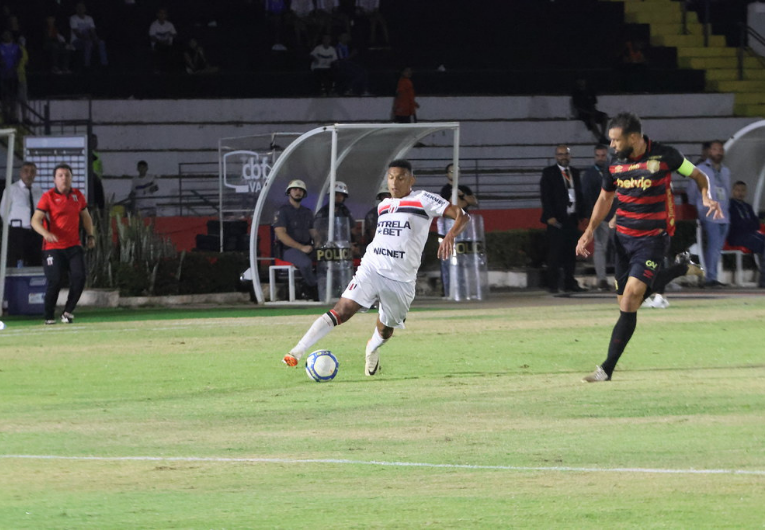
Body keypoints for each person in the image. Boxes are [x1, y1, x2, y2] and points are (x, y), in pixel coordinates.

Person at [282, 159, 469, 375]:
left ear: (411, 180)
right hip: (372, 267)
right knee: (342, 310)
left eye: (400, 178)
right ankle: (297, 351)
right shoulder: (383, 206)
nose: (394, 182)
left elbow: (462, 215)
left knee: (386, 329)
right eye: (390, 178)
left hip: (401, 279)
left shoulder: (422, 199)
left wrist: (450, 235)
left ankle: (372, 347)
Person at [576, 112, 723, 382]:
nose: (612, 146)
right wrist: (589, 231)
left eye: (616, 141)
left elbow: (699, 175)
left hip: (654, 237)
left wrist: (707, 196)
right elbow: (605, 199)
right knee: (625, 303)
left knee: (631, 296)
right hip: (623, 238)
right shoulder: (614, 163)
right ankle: (681, 267)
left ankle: (606, 369)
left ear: (634, 137)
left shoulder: (666, 156)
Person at [31, 163, 96, 325]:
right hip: (53, 248)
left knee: (80, 277)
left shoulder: (77, 196)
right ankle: (49, 316)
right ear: (54, 179)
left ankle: (67, 312)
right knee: (55, 281)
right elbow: (35, 221)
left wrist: (90, 235)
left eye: (67, 175)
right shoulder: (48, 197)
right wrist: (46, 234)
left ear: (71, 178)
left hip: (73, 245)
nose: (64, 178)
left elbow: (86, 217)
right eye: (60, 175)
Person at [540, 144, 585, 293]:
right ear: (555, 156)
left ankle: (569, 283)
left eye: (565, 154)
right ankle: (553, 285)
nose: (563, 157)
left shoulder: (575, 173)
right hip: (556, 220)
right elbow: (545, 196)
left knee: (570, 254)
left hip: (571, 218)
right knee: (555, 253)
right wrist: (549, 216)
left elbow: (579, 194)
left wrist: (582, 213)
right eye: (560, 154)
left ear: (570, 156)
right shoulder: (549, 173)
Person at [686, 140, 731, 288]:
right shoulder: (700, 169)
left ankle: (713, 275)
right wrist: (700, 208)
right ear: (708, 152)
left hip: (724, 213)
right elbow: (691, 192)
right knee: (712, 246)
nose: (718, 152)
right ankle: (710, 277)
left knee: (717, 247)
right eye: (715, 149)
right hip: (709, 214)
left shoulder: (725, 171)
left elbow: (728, 191)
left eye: (720, 149)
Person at [273, 179, 319, 301]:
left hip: (307, 248)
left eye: (300, 190)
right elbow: (281, 235)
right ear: (289, 192)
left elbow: (313, 232)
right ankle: (313, 289)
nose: (298, 192)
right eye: (295, 189)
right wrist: (301, 247)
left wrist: (320, 243)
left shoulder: (307, 212)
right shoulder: (282, 211)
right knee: (305, 263)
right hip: (288, 249)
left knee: (326, 259)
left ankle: (328, 288)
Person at [438, 163, 478, 296]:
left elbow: (473, 202)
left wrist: (463, 196)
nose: (454, 173)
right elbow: (453, 205)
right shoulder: (445, 189)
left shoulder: (464, 188)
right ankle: (449, 288)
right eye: (451, 171)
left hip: (464, 225)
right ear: (446, 174)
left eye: (457, 171)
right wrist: (462, 200)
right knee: (450, 256)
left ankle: (465, 288)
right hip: (450, 224)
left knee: (464, 254)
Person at [580, 144, 616, 291]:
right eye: (598, 155)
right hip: (601, 217)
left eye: (603, 155)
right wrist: (590, 217)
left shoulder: (614, 170)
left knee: (622, 247)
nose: (601, 158)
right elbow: (586, 196)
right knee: (601, 248)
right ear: (594, 156)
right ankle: (602, 279)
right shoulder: (590, 174)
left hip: (617, 215)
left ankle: (625, 279)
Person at [0, 161, 44, 266]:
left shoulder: (38, 190)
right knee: (15, 261)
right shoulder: (12, 189)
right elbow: (3, 211)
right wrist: (12, 226)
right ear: (21, 173)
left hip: (35, 232)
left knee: (36, 260)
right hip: (18, 231)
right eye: (26, 171)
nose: (29, 174)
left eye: (32, 171)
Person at [727, 180, 765, 288]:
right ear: (733, 191)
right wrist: (748, 224)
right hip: (737, 237)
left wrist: (747, 224)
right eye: (737, 190)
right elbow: (736, 224)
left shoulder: (747, 207)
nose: (740, 193)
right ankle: (763, 281)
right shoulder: (730, 206)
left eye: (743, 190)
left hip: (751, 234)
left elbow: (756, 224)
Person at [69, 2, 108, 68]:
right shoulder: (73, 18)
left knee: (101, 43)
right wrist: (88, 38)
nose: (81, 9)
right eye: (79, 8)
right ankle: (87, 64)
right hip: (76, 41)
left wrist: (95, 39)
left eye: (82, 8)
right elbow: (77, 34)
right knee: (88, 43)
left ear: (85, 9)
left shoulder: (89, 18)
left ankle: (104, 63)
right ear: (76, 9)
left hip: (89, 38)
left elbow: (93, 31)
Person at [571, 78, 608, 144]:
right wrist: (589, 112)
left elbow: (594, 103)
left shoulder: (590, 91)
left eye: (583, 80)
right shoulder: (576, 93)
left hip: (592, 111)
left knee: (604, 116)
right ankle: (600, 137)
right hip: (583, 113)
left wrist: (594, 111)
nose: (582, 82)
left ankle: (603, 135)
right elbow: (577, 107)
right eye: (580, 81)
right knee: (591, 119)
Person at [0, 30, 20, 124]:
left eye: (8, 34)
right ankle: (5, 117)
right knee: (4, 99)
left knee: (13, 98)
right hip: (3, 77)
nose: (6, 36)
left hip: (13, 76)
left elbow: (19, 59)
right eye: (5, 35)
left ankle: (13, 117)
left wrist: (13, 69)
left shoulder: (16, 47)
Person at [363, 181, 390, 250]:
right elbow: (374, 236)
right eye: (385, 195)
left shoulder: (399, 212)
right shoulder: (373, 214)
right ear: (380, 197)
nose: (387, 198)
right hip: (376, 249)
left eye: (390, 195)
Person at [149, 8, 177, 72]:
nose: (162, 15)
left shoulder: (170, 24)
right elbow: (152, 37)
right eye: (160, 13)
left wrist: (171, 34)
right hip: (157, 46)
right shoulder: (154, 25)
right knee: (160, 49)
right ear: (157, 14)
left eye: (164, 13)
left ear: (166, 15)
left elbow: (175, 34)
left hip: (168, 45)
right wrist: (162, 41)